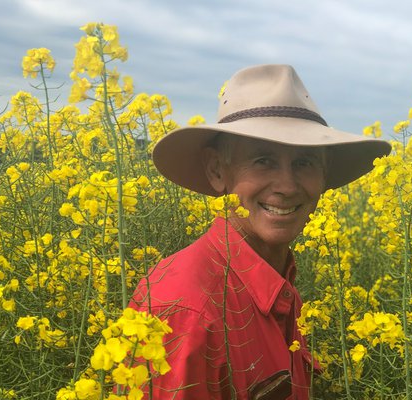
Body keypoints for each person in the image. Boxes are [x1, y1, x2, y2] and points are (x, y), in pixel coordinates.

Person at [129, 64, 391, 399]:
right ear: (216, 171)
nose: (286, 185)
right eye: (263, 161)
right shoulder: (183, 310)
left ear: (324, 177)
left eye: (305, 162)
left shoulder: (280, 285)